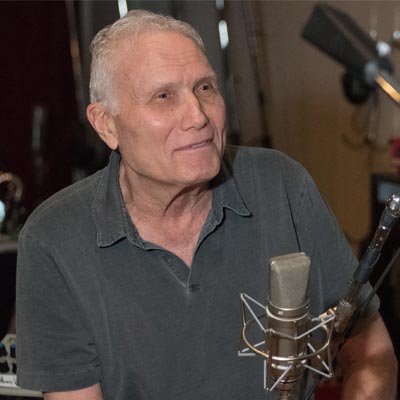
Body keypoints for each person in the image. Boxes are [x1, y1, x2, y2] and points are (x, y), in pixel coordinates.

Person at [16, 9, 397, 400]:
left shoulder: (282, 186)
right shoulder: (54, 239)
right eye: (164, 97)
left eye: (205, 89)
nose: (197, 116)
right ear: (106, 125)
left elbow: (373, 354)